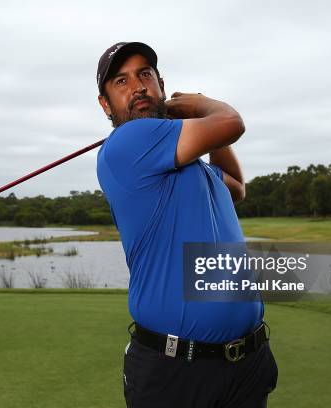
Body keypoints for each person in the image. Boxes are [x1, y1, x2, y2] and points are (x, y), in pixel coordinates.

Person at [95, 42, 278, 408]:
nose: (138, 87)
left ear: (161, 84)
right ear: (105, 105)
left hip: (246, 364)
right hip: (177, 372)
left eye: (145, 74)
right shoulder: (128, 143)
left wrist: (188, 121)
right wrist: (199, 105)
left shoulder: (192, 167)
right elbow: (229, 123)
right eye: (121, 81)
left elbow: (236, 186)